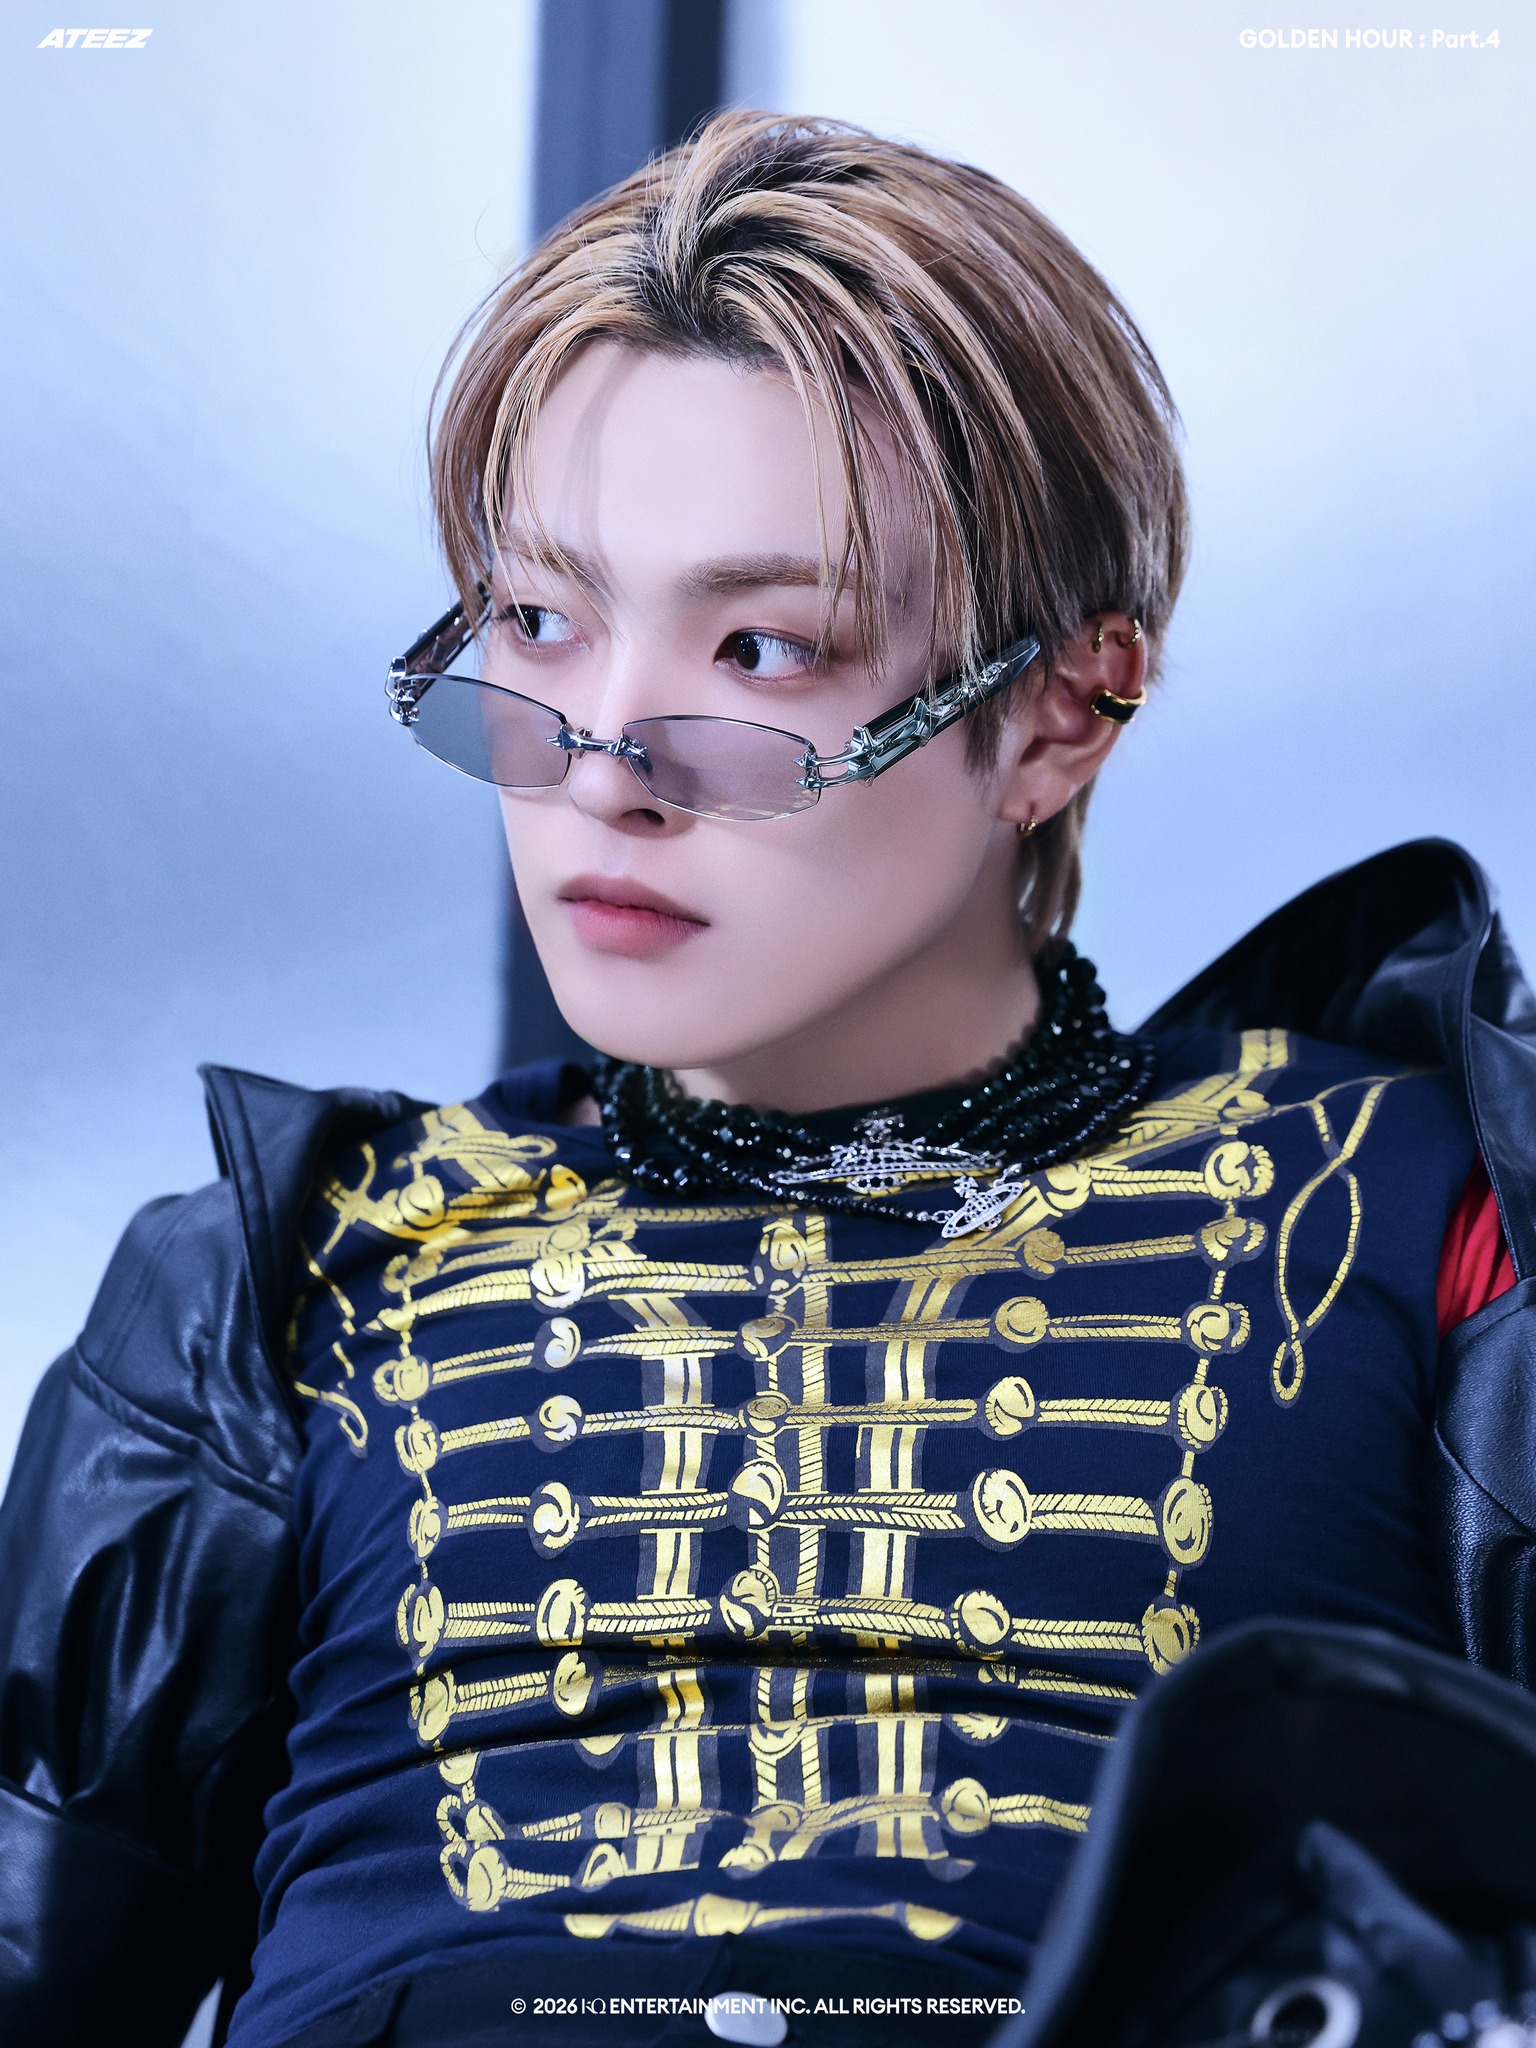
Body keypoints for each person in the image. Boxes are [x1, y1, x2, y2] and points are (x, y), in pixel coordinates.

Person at [0, 111, 1531, 2048]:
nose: (601, 763)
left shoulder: (1439, 1209)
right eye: (537, 621)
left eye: (763, 647)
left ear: (1062, 713)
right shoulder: (272, 1271)